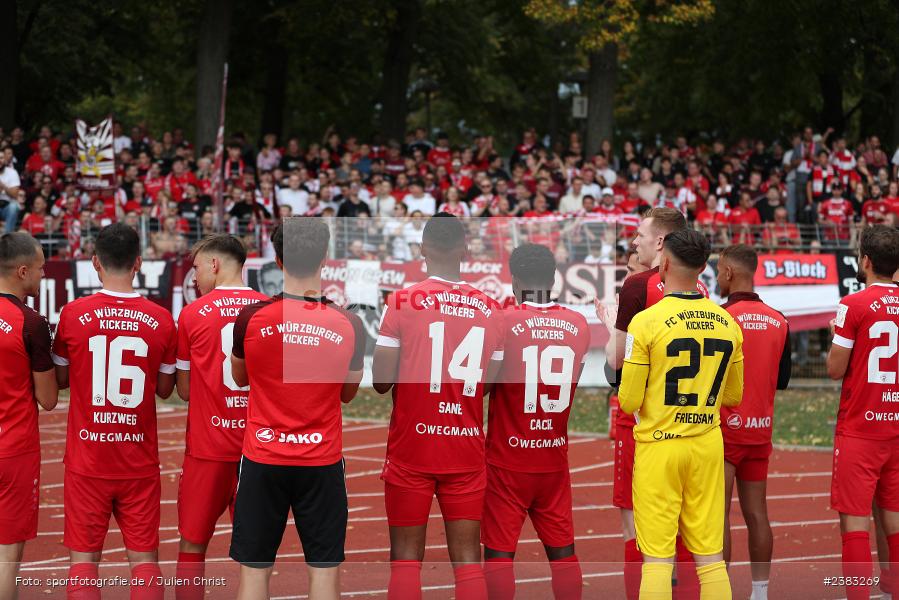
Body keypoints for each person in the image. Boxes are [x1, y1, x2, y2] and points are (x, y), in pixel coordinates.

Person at [228, 219, 365, 600]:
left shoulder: (250, 318)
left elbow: (240, 377)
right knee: (324, 572)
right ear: (325, 259)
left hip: (263, 457)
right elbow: (348, 394)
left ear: (277, 259)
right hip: (320, 460)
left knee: (254, 572)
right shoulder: (349, 322)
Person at [372, 213, 505, 600]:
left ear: (422, 251)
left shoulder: (400, 301)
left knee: (406, 557)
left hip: (412, 444)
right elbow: (486, 387)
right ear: (465, 251)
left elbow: (380, 382)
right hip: (464, 444)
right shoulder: (492, 308)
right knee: (467, 559)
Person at [51, 223, 177, 599]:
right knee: (144, 562)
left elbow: (60, 379)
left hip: (88, 458)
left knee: (84, 563)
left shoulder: (73, 313)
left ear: (95, 263)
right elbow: (166, 390)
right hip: (138, 458)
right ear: (139, 262)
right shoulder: (161, 319)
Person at [619, 228, 745, 600]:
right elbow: (734, 395)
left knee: (658, 559)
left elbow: (627, 401)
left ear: (665, 263)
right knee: (710, 557)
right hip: (706, 446)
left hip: (660, 447)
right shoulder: (728, 321)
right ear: (704, 267)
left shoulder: (646, 321)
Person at [594, 207, 704, 600]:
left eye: (640, 234)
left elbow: (616, 365)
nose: (634, 240)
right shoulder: (700, 289)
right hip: (695, 424)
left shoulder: (638, 286)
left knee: (635, 528)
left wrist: (610, 327)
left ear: (660, 241)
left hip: (644, 420)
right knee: (691, 528)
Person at [481, 243, 590, 600]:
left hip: (508, 458)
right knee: (563, 552)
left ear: (513, 281)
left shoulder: (502, 320)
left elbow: (484, 386)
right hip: (553, 457)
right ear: (554, 278)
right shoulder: (577, 325)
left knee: (498, 553)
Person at [173, 234, 267, 600]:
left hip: (208, 448)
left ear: (214, 264)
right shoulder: (267, 308)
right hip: (257, 448)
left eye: (196, 268)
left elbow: (184, 389)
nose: (194, 278)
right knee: (255, 552)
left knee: (192, 544)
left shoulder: (193, 313)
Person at [826, 225, 899, 600]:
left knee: (854, 522)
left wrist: (837, 337)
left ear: (866, 261)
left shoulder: (853, 304)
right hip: (896, 427)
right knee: (894, 518)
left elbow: (835, 368)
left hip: (861, 426)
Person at [717, 245, 792, 600]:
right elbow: (783, 379)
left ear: (729, 273)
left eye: (718, 271)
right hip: (760, 430)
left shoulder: (719, 317)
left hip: (725, 431)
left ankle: (720, 591)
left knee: (718, 516)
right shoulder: (780, 319)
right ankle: (760, 593)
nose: (716, 278)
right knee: (757, 514)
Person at [0, 232, 58, 599]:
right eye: (39, 269)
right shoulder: (31, 323)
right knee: (8, 551)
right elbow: (49, 398)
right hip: (13, 448)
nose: (43, 275)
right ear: (22, 271)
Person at [0, 152, 21, 234]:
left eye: (1, 158)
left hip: (7, 206)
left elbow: (15, 194)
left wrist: (3, 186)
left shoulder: (12, 172)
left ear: (5, 160)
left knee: (14, 206)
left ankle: (6, 238)